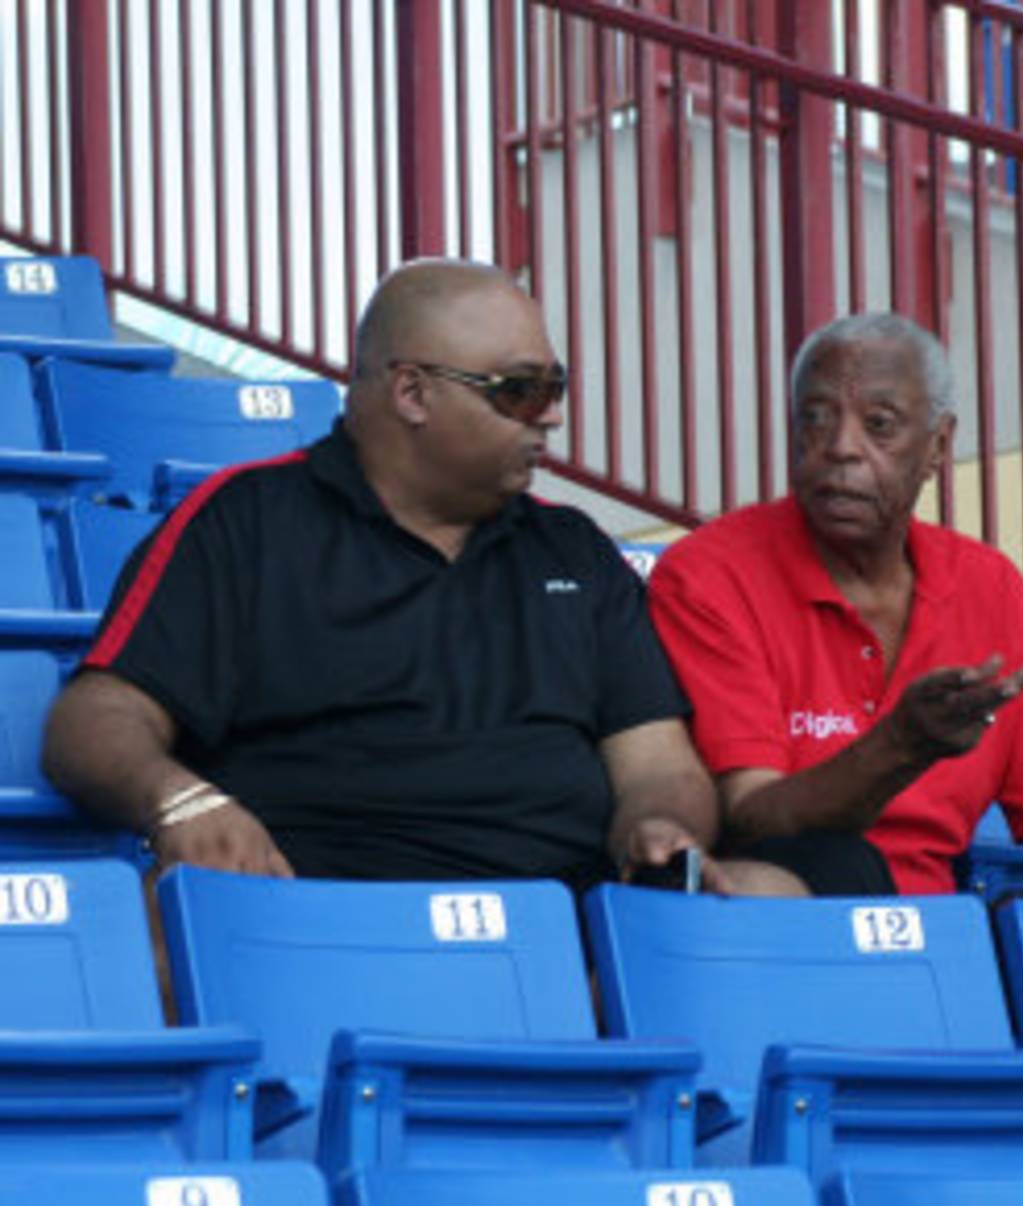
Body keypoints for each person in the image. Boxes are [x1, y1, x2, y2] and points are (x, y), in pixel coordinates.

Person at [41, 259, 797, 895]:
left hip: (559, 928)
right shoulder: (246, 520)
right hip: (309, 911)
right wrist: (181, 801)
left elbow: (659, 763)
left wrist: (661, 827)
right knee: (155, 921)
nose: (551, 419)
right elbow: (92, 723)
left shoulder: (575, 551)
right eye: (520, 390)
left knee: (772, 893)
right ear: (411, 393)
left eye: (554, 388)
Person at [648, 311, 1023, 932]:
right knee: (841, 861)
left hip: (948, 929)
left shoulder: (987, 586)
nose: (841, 447)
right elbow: (751, 818)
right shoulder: (709, 575)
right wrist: (901, 746)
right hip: (795, 899)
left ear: (938, 445)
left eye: (878, 426)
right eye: (816, 418)